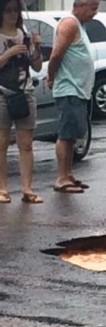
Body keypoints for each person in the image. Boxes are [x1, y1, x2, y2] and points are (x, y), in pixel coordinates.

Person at [47, 0, 99, 194]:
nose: (95, 13)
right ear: (79, 6)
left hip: (79, 89)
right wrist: (51, 76)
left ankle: (68, 174)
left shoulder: (80, 25)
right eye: (93, 8)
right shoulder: (69, 24)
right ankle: (61, 178)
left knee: (73, 135)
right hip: (69, 88)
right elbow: (56, 55)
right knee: (66, 135)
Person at [0, 0, 43, 204]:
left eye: (16, 10)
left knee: (26, 144)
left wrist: (36, 48)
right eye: (8, 10)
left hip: (25, 91)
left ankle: (27, 188)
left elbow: (36, 66)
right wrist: (7, 54)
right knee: (1, 143)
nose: (13, 14)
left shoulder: (25, 36)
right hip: (2, 93)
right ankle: (2, 188)